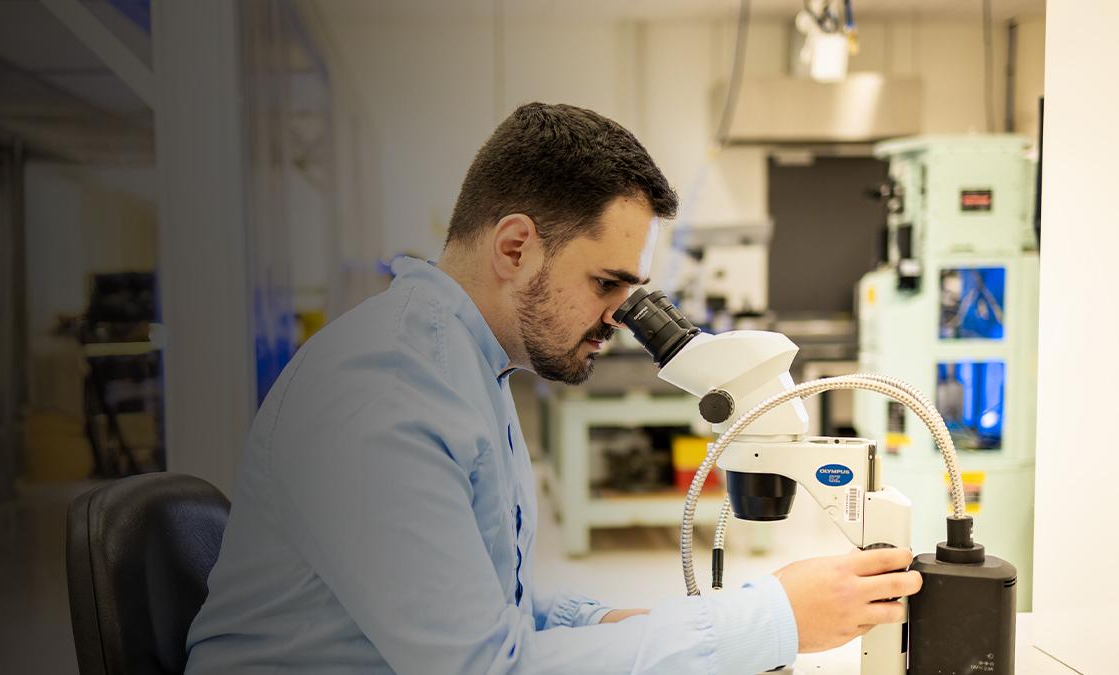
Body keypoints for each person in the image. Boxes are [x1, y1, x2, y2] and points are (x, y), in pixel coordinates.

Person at [185, 102, 922, 674]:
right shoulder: (383, 392)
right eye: (607, 283)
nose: (618, 315)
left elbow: (489, 604)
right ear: (515, 247)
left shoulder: (462, 367)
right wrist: (771, 617)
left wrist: (621, 623)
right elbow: (483, 667)